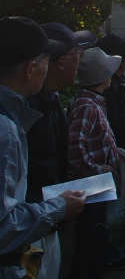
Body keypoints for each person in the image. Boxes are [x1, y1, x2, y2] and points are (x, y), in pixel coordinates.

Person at [0, 17, 85, 279]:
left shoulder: (17, 116)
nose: (47, 69)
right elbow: (4, 226)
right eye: (46, 61)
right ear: (30, 68)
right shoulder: (6, 129)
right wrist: (59, 207)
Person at [67, 47, 124, 278]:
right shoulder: (87, 107)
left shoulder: (93, 103)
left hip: (98, 187)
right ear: (103, 78)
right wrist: (99, 169)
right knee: (89, 244)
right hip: (92, 188)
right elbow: (75, 149)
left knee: (95, 239)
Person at [27, 23, 94, 202]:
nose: (80, 62)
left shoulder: (51, 99)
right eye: (78, 54)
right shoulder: (30, 111)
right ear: (62, 62)